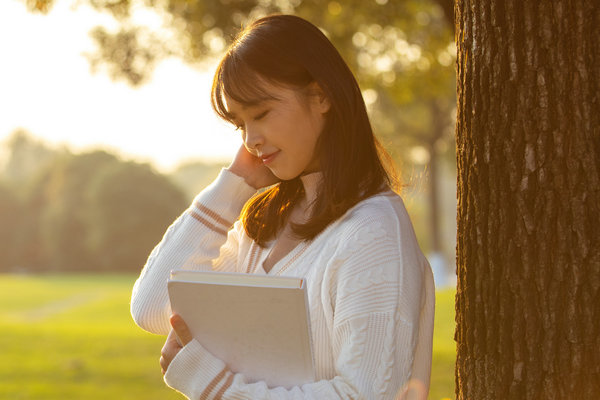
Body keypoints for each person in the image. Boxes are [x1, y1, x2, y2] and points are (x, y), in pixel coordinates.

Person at [130, 14, 435, 400]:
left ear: (321, 95)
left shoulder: (372, 232)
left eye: (261, 114)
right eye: (239, 125)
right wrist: (233, 184)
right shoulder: (261, 228)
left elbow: (365, 394)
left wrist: (215, 387)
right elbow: (152, 308)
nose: (251, 140)